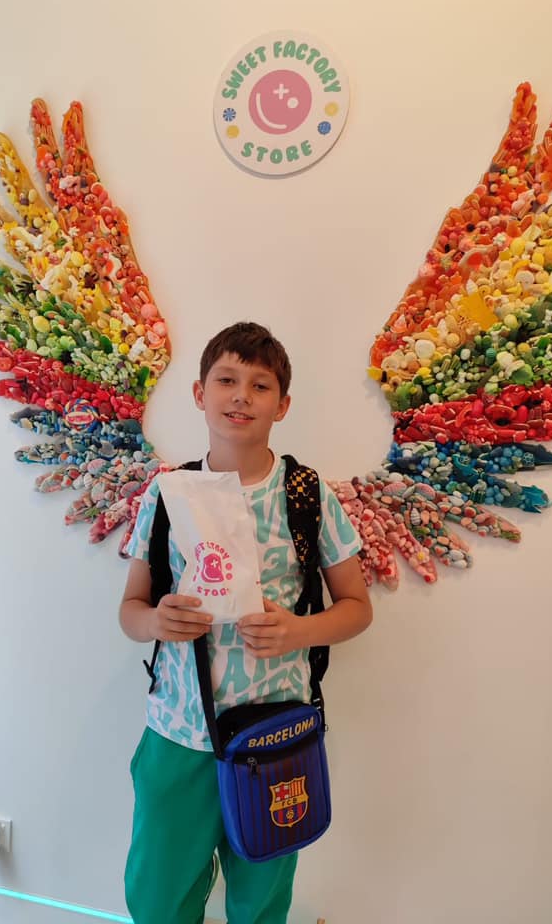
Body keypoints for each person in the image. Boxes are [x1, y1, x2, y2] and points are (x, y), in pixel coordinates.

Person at [120, 321, 372, 924]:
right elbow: (130, 611)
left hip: (276, 735)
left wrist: (299, 630)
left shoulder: (308, 494)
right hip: (178, 732)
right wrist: (157, 621)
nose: (241, 396)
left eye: (260, 386)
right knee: (157, 898)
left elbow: (357, 607)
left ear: (282, 406)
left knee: (261, 901)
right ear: (199, 393)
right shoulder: (168, 494)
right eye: (226, 380)